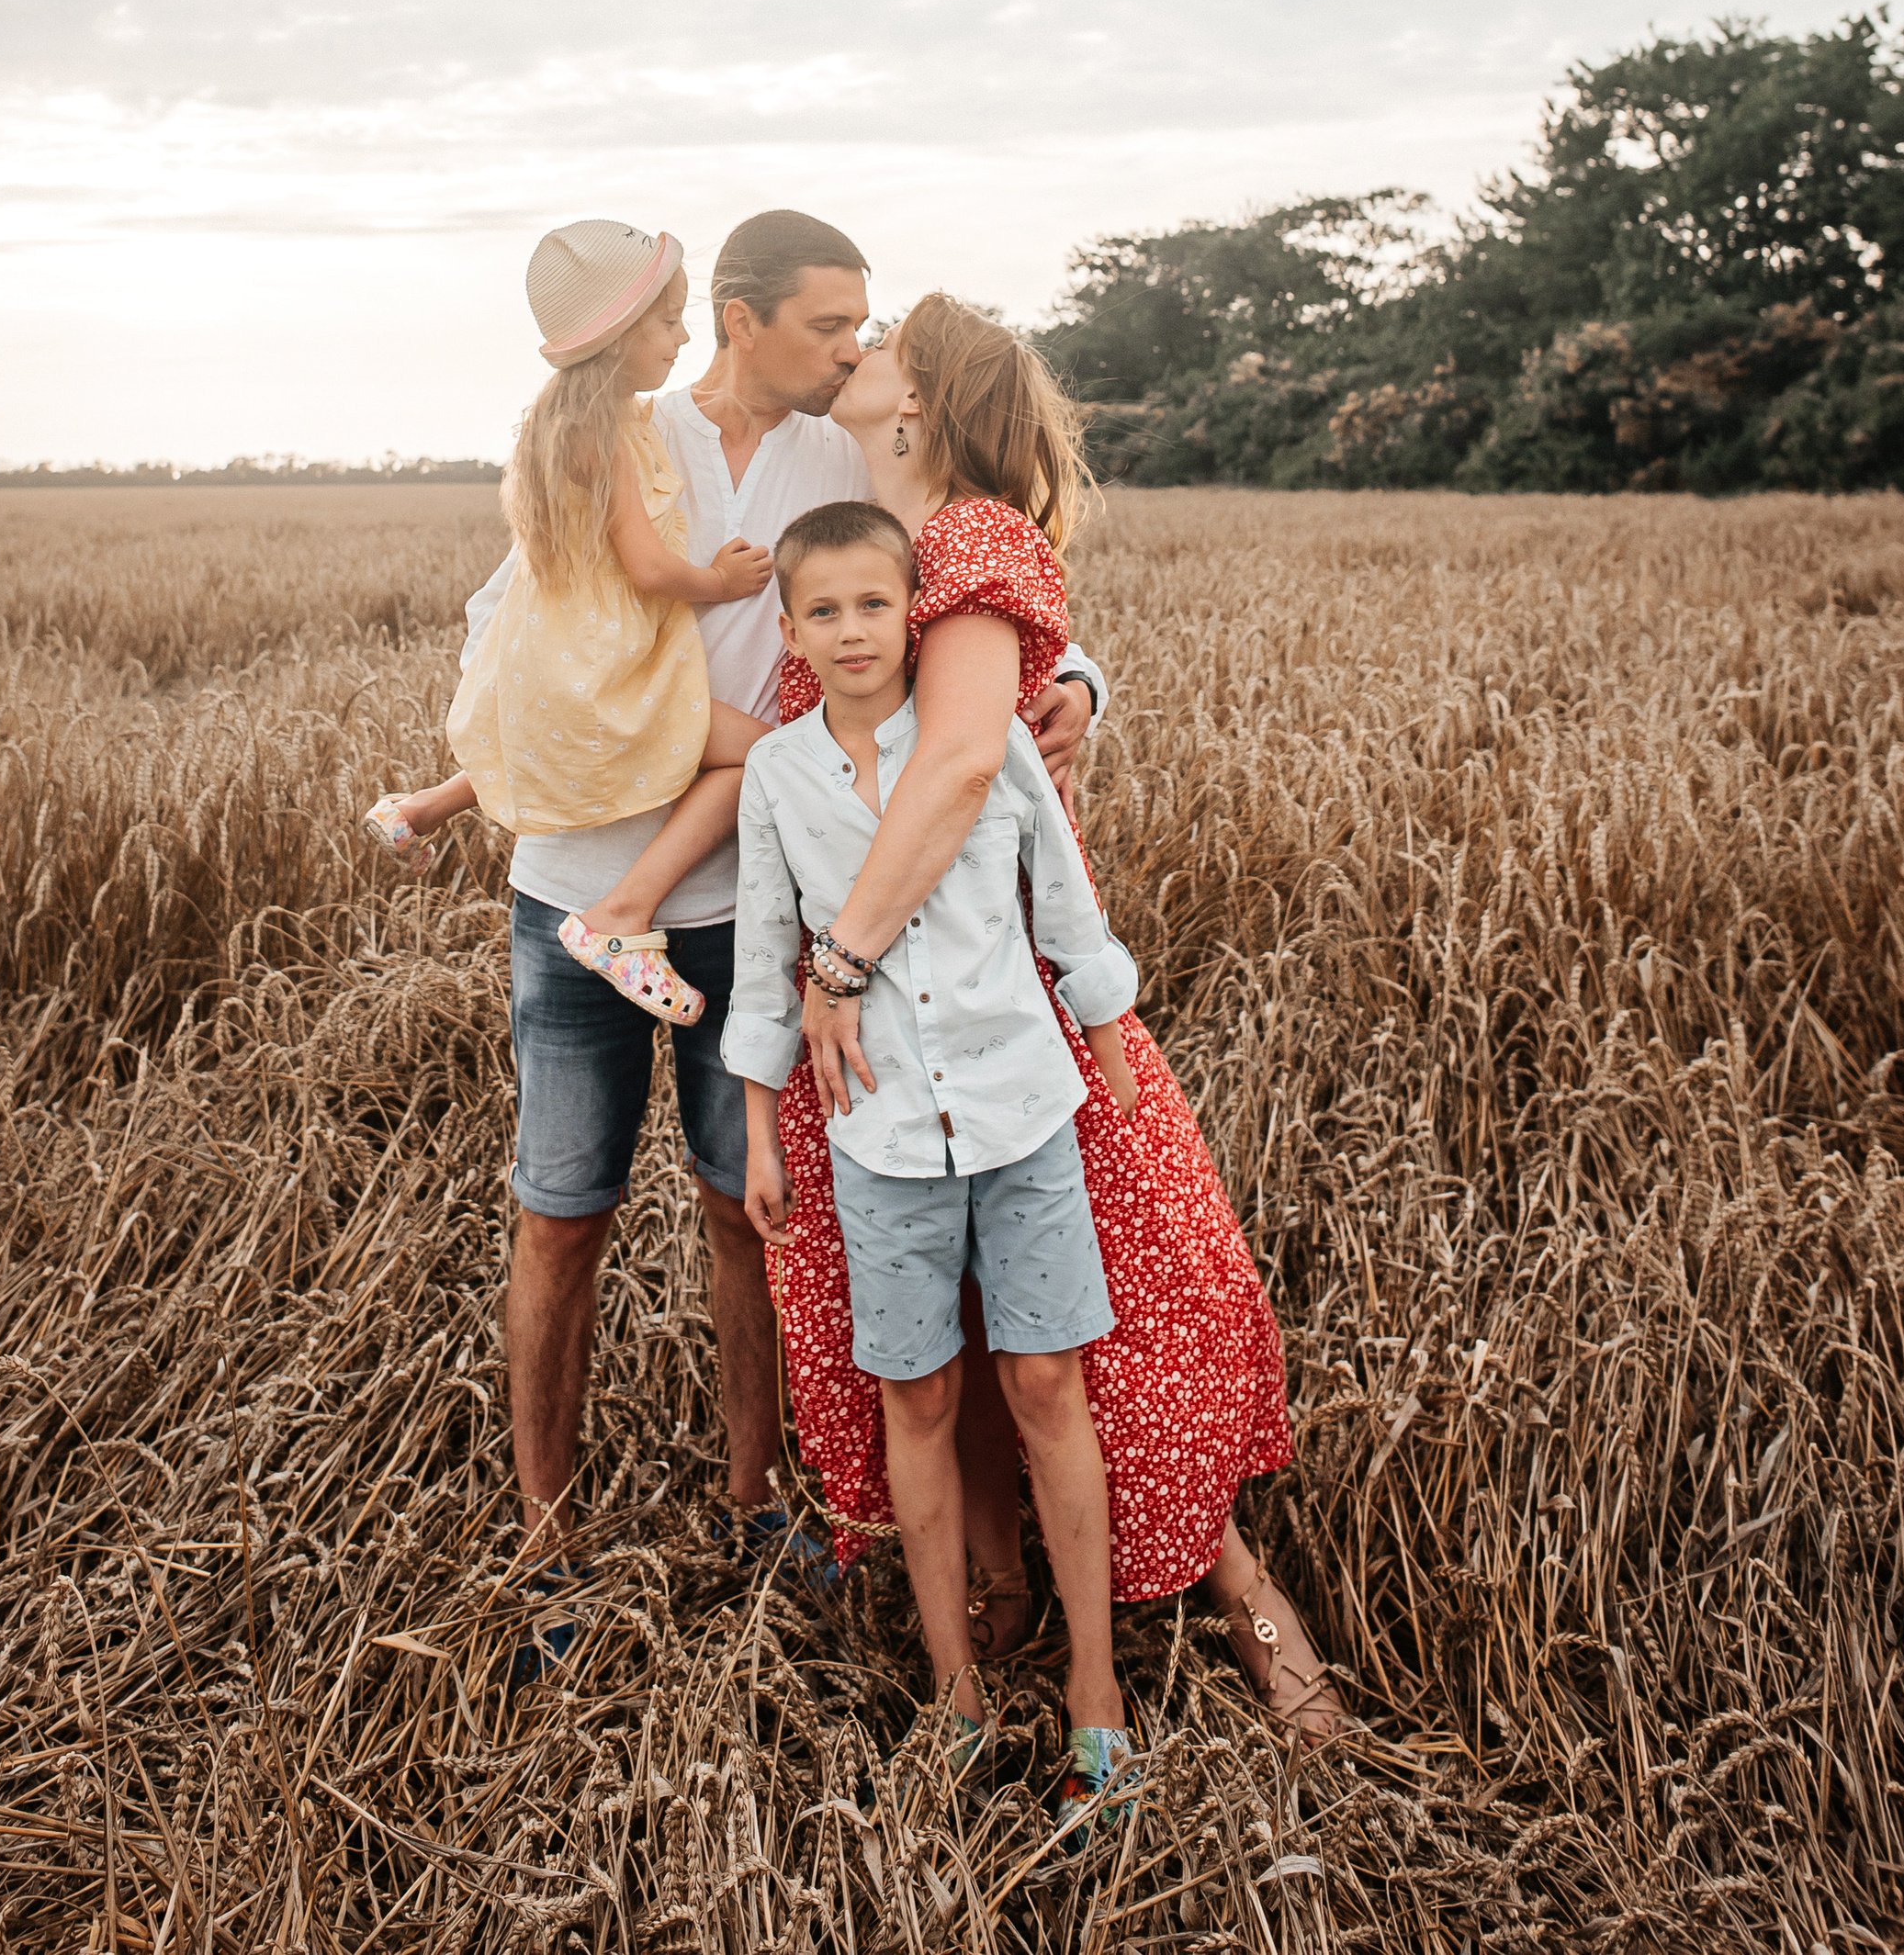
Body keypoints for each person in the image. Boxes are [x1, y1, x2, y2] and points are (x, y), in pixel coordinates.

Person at [452, 209, 1107, 1575]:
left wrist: (1080, 683)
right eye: (828, 325)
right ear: (739, 321)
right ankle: (545, 1536)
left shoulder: (835, 453)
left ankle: (756, 1505)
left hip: (746, 911)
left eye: (863, 329)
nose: (854, 349)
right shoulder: (626, 435)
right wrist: (640, 731)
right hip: (573, 895)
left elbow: (968, 573)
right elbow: (507, 617)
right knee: (560, 1214)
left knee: (744, 1213)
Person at [770, 293, 1343, 1747]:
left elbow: (963, 758)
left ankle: (1250, 1612)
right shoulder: (877, 545)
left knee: (1104, 1330)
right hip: (882, 1016)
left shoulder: (967, 539)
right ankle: (1004, 1593)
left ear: (921, 403)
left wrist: (833, 967)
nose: (860, 339)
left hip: (983, 1000)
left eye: (885, 331)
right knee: (949, 1332)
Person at [729, 502, 1144, 1825]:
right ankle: (955, 1685)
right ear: (790, 632)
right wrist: (755, 1128)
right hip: (882, 1136)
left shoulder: (983, 744)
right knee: (915, 1395)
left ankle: (1095, 1687)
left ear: (911, 612)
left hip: (1021, 1106)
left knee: (1044, 1378)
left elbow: (1063, 894)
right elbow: (763, 961)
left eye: (873, 604)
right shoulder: (778, 777)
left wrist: (1104, 1032)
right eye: (823, 612)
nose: (852, 632)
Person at [368, 219, 775, 1018]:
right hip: (605, 656)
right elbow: (648, 568)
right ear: (618, 335)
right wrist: (721, 582)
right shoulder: (606, 435)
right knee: (755, 757)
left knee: (542, 742)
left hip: (550, 646)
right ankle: (620, 919)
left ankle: (413, 811)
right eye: (666, 322)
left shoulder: (554, 423)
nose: (681, 336)